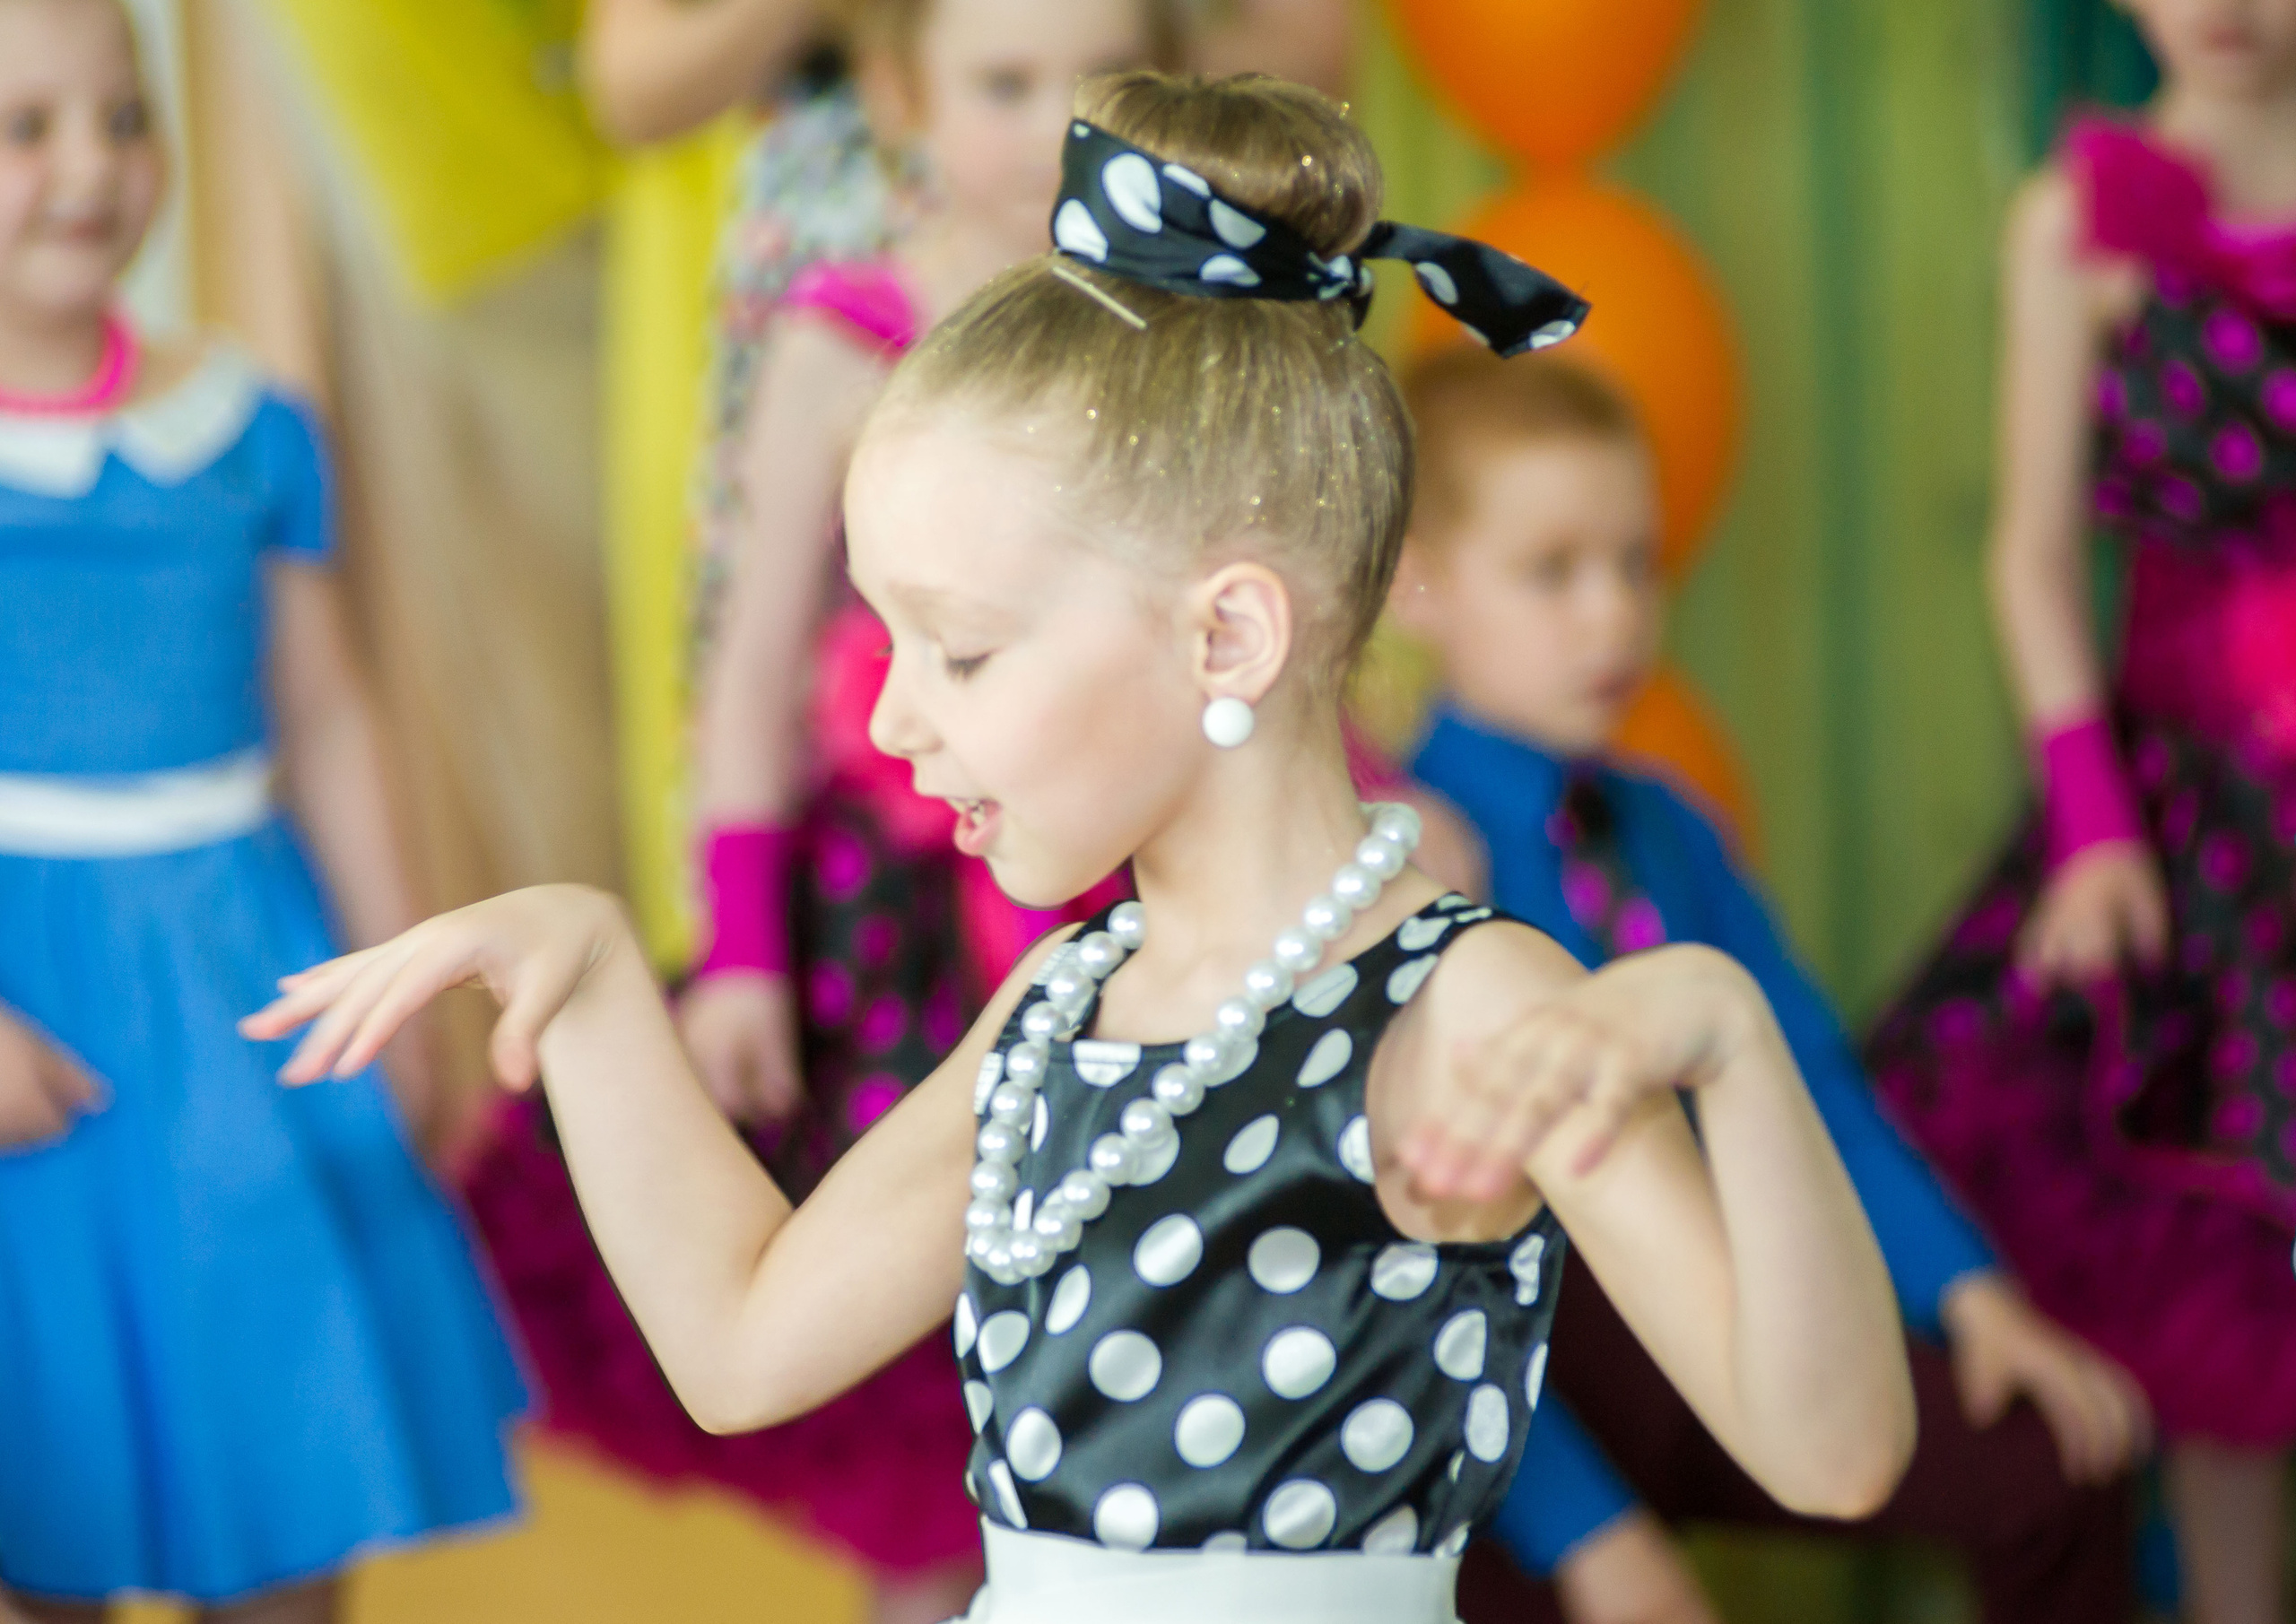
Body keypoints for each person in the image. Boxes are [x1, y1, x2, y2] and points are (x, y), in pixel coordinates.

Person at [248, 70, 1916, 1624]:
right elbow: (742, 1344)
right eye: (886, 644)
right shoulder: (1057, 1007)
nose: (892, 724)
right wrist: (600, 975)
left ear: (1228, 638)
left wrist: (1723, 1029)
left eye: (959, 651)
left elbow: (1832, 1450)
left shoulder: (1462, 1003)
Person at [466, 4, 1170, 1620]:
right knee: (916, 1393)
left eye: (1103, 89)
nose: (1057, 128)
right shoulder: (845, 335)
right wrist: (742, 953)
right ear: (898, 96)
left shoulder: (1176, 339)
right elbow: (751, 670)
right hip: (893, 941)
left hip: (1122, 901)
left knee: (1124, 1362)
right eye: (1004, 85)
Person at [1388, 347, 2150, 1624]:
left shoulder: (1670, 828)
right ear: (1418, 582)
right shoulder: (1402, 854)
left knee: (2053, 1465)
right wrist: (1592, 1536)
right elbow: (1412, 1281)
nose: (1615, 616)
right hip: (1520, 1403)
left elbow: (1815, 1090)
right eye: (1553, 571)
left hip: (1734, 1326)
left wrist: (1974, 1299)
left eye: (1638, 564)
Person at [0, 1, 525, 1618]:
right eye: (27, 130)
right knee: (42, 1477)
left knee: (289, 1459)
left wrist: (406, 966)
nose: (90, 168)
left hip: (240, 979)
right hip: (34, 1002)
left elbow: (326, 709)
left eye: (124, 117)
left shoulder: (248, 427)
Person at [1863, 4, 2296, 1620]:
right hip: (2200, 818)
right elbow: (2031, 557)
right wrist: (2096, 820)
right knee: (2220, 1263)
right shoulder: (2081, 217)